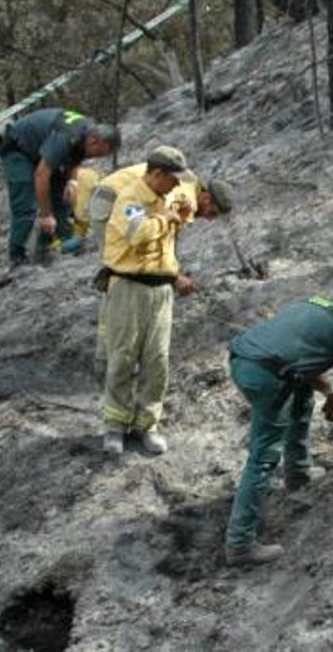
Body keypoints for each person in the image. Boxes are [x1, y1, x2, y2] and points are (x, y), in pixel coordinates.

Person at [224, 294, 333, 566]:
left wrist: (328, 391)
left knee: (302, 394)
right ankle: (240, 543)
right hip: (264, 374)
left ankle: (299, 472)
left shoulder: (317, 303)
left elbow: (298, 355)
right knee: (264, 455)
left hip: (244, 358)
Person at [97, 146, 200, 456]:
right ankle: (115, 424)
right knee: (123, 356)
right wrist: (164, 219)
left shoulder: (165, 197)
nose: (176, 186)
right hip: (130, 287)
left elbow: (169, 242)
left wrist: (176, 274)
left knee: (157, 360)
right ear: (156, 174)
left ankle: (147, 424)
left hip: (161, 290)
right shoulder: (131, 198)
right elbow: (138, 234)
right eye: (172, 179)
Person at [90, 165, 236, 370]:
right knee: (122, 274)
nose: (210, 219)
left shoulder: (187, 190)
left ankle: (116, 355)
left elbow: (164, 239)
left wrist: (172, 273)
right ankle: (108, 358)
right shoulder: (182, 195)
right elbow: (155, 234)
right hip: (114, 200)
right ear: (206, 198)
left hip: (119, 199)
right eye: (213, 213)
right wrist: (173, 277)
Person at [0, 108, 119, 267]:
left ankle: (49, 244)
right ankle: (17, 256)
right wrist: (46, 215)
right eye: (97, 153)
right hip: (18, 149)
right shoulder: (65, 137)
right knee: (26, 204)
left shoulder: (86, 133)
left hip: (42, 150)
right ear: (94, 140)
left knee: (62, 197)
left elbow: (76, 156)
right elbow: (41, 175)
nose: (94, 158)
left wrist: (72, 182)